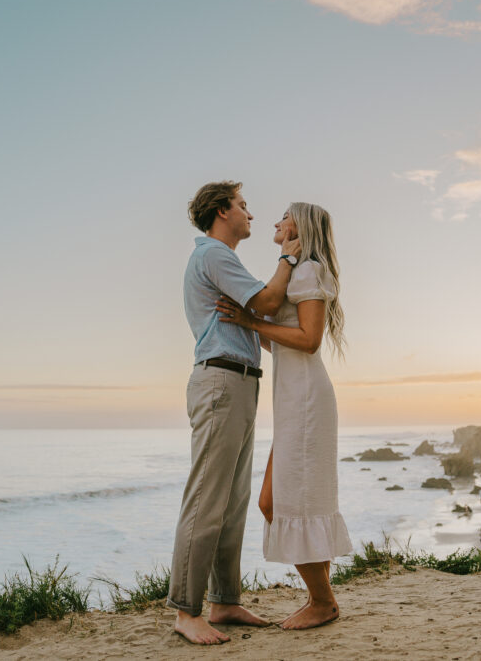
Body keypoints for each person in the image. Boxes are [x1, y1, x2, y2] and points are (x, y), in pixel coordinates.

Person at [169, 180, 302, 645]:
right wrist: (287, 258)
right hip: (221, 382)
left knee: (231, 502)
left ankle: (223, 600)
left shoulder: (221, 258)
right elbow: (267, 302)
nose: (250, 213)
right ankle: (186, 610)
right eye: (243, 206)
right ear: (223, 211)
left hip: (239, 382)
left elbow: (257, 319)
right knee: (207, 498)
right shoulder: (213, 255)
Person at [217, 201, 352, 630]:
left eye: (284, 216)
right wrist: (248, 324)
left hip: (307, 401)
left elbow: (309, 340)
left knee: (279, 502)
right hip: (296, 400)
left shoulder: (309, 269)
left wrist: (251, 323)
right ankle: (321, 597)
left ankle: (323, 601)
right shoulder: (300, 269)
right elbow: (289, 342)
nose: (276, 221)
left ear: (302, 226)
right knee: (287, 501)